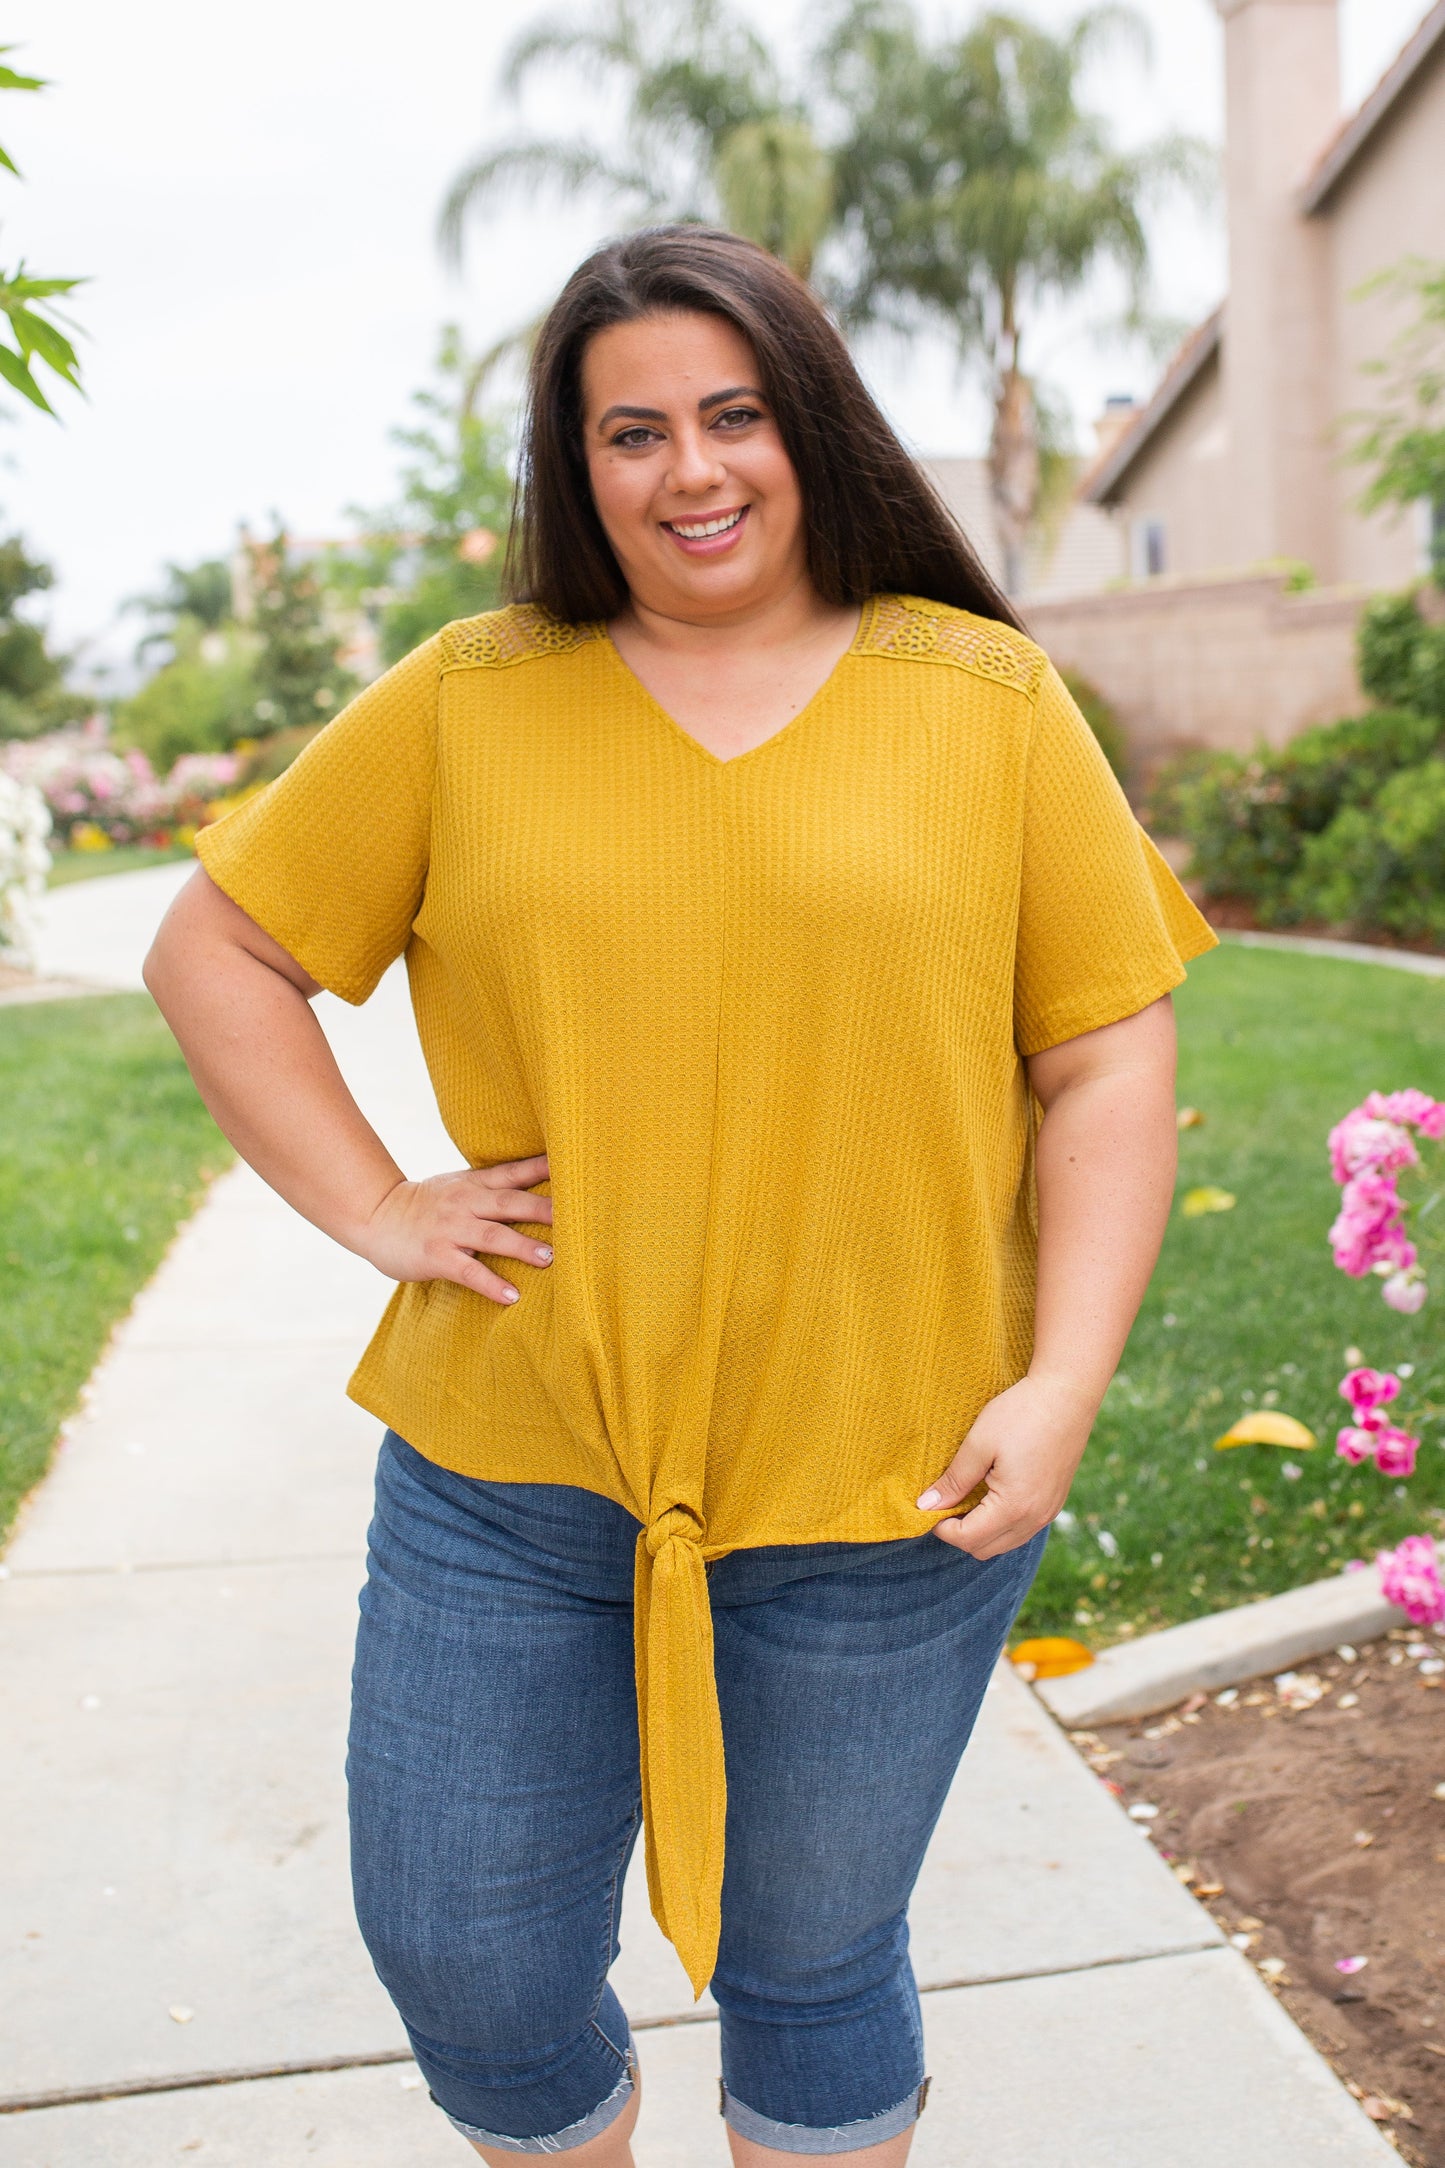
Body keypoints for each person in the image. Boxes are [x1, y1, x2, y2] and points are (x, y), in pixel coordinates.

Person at [144, 225, 1215, 2166]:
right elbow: (216, 950)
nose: (691, 468)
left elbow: (1109, 1058)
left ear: (809, 424)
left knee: (812, 1960)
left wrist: (1060, 1383)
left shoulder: (983, 702)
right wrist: (384, 1207)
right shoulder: (474, 697)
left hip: (891, 1480)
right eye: (631, 429)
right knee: (462, 1951)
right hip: (517, 1469)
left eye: (733, 413)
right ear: (578, 466)